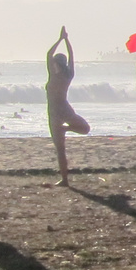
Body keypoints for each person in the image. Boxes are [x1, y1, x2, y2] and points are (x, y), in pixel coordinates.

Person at [45, 27, 89, 186]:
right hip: (60, 109)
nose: (53, 64)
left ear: (57, 64)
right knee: (60, 149)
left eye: (55, 63)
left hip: (58, 110)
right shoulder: (68, 75)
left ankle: (65, 129)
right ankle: (64, 180)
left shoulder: (56, 75)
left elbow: (49, 55)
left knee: (84, 129)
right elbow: (71, 56)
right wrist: (66, 40)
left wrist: (61, 39)